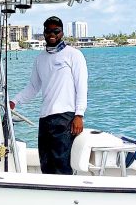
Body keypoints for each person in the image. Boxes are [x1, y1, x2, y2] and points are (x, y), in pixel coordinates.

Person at [9, 16, 88, 175]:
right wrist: (14, 101)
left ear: (62, 33)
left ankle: (65, 196)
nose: (52, 34)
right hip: (45, 118)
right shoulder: (40, 59)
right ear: (44, 33)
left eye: (56, 31)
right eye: (48, 31)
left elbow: (82, 86)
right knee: (45, 163)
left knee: (61, 164)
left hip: (65, 117)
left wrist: (79, 114)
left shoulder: (74, 55)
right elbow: (33, 87)